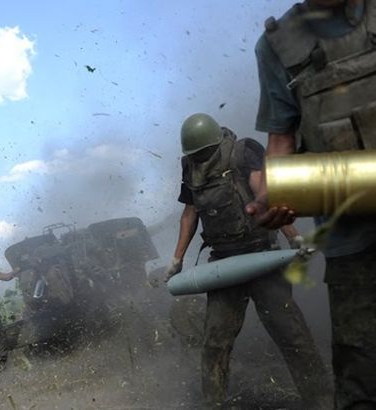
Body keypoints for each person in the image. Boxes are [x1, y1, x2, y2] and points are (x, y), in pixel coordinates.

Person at [251, 1, 376, 407]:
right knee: (362, 380)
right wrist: (275, 191)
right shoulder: (276, 45)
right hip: (352, 245)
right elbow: (281, 140)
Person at [161, 113, 331, 408]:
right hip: (223, 265)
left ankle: (323, 401)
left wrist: (293, 238)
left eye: (203, 152)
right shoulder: (190, 168)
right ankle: (213, 403)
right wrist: (177, 259)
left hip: (260, 255)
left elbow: (265, 196)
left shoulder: (242, 153)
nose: (200, 158)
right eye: (195, 154)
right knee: (215, 343)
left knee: (293, 337)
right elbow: (190, 213)